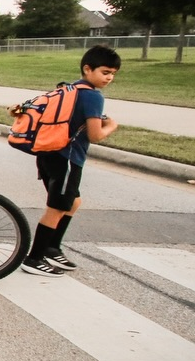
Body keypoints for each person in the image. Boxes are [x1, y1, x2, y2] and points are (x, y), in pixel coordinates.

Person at [20, 45, 121, 277]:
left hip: (49, 154)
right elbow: (95, 135)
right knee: (57, 207)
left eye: (113, 73)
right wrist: (112, 126)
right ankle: (34, 258)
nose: (109, 78)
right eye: (105, 72)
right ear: (88, 68)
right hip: (66, 158)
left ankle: (52, 248)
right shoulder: (92, 95)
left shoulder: (70, 89)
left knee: (72, 202)